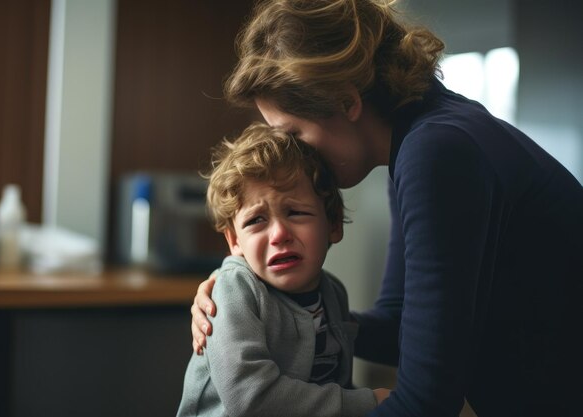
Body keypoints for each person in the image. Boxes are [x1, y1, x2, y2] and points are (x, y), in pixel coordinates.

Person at [190, 0, 583, 416]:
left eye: (294, 134)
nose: (295, 156)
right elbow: (402, 324)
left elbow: (425, 403)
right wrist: (254, 313)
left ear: (346, 101)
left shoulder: (435, 153)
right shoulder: (428, 136)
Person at [177, 122, 388, 417]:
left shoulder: (333, 293)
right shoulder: (235, 290)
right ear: (235, 240)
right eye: (256, 221)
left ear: (334, 223)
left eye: (296, 212)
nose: (278, 234)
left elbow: (332, 385)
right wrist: (367, 402)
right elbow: (252, 399)